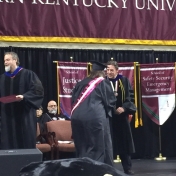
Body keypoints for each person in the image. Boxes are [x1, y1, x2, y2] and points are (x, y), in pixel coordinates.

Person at [71, 61, 116, 166]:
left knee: (81, 145)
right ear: (102, 73)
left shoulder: (81, 83)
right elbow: (110, 101)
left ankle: (82, 168)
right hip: (95, 118)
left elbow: (73, 100)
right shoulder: (103, 82)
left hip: (76, 118)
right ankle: (96, 170)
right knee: (96, 146)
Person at [0, 51, 44, 149]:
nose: (5, 63)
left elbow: (38, 90)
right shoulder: (2, 78)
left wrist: (24, 96)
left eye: (7, 60)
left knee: (25, 142)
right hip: (7, 117)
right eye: (4, 61)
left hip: (24, 115)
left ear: (15, 60)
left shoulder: (28, 74)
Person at [106, 60, 137, 175]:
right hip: (108, 118)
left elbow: (130, 98)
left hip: (121, 118)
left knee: (124, 144)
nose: (109, 72)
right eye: (107, 70)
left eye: (111, 70)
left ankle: (127, 168)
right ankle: (108, 168)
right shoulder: (103, 82)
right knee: (109, 144)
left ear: (117, 70)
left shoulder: (123, 81)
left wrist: (124, 108)